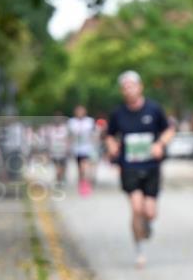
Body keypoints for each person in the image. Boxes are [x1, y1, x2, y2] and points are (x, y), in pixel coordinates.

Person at [105, 71, 174, 268]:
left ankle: (147, 224)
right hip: (129, 166)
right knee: (136, 208)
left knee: (150, 212)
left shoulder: (153, 109)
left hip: (151, 166)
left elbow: (169, 129)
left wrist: (160, 144)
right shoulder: (118, 114)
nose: (129, 89)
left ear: (140, 87)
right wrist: (111, 146)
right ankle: (140, 250)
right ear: (122, 91)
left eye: (132, 85)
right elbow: (109, 135)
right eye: (125, 87)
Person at [68, 105, 97, 196]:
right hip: (76, 149)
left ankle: (86, 184)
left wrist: (95, 145)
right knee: (80, 169)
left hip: (87, 148)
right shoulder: (71, 122)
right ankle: (82, 183)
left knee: (84, 166)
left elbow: (94, 134)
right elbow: (70, 136)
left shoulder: (90, 121)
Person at [46, 113, 70, 187]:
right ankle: (58, 180)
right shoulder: (50, 129)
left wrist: (67, 148)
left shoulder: (65, 129)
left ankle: (61, 178)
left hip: (63, 151)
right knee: (57, 168)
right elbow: (48, 140)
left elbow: (68, 139)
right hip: (54, 151)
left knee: (62, 167)